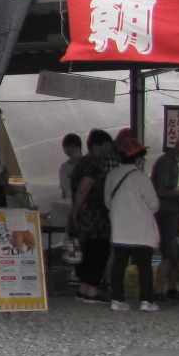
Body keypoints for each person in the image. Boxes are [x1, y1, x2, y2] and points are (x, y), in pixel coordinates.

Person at [104, 129, 161, 313]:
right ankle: (146, 301)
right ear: (137, 158)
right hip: (141, 230)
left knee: (119, 264)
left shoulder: (112, 175)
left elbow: (107, 202)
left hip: (120, 228)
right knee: (144, 265)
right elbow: (153, 204)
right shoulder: (141, 177)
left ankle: (117, 299)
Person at [67, 129, 115, 302]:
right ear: (96, 146)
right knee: (98, 250)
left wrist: (75, 213)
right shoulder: (93, 164)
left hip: (84, 215)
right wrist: (75, 211)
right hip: (94, 216)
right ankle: (93, 290)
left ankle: (84, 287)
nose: (109, 149)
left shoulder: (82, 163)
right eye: (107, 146)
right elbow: (83, 189)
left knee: (86, 251)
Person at [150, 131, 179, 299]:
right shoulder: (165, 162)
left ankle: (172, 288)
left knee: (175, 252)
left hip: (171, 212)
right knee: (168, 252)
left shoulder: (172, 162)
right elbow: (161, 190)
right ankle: (159, 291)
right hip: (165, 213)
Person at [57, 133, 85, 203]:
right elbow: (64, 191)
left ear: (79, 147)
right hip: (70, 204)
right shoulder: (64, 168)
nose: (69, 149)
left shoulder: (88, 164)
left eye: (72, 146)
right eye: (66, 147)